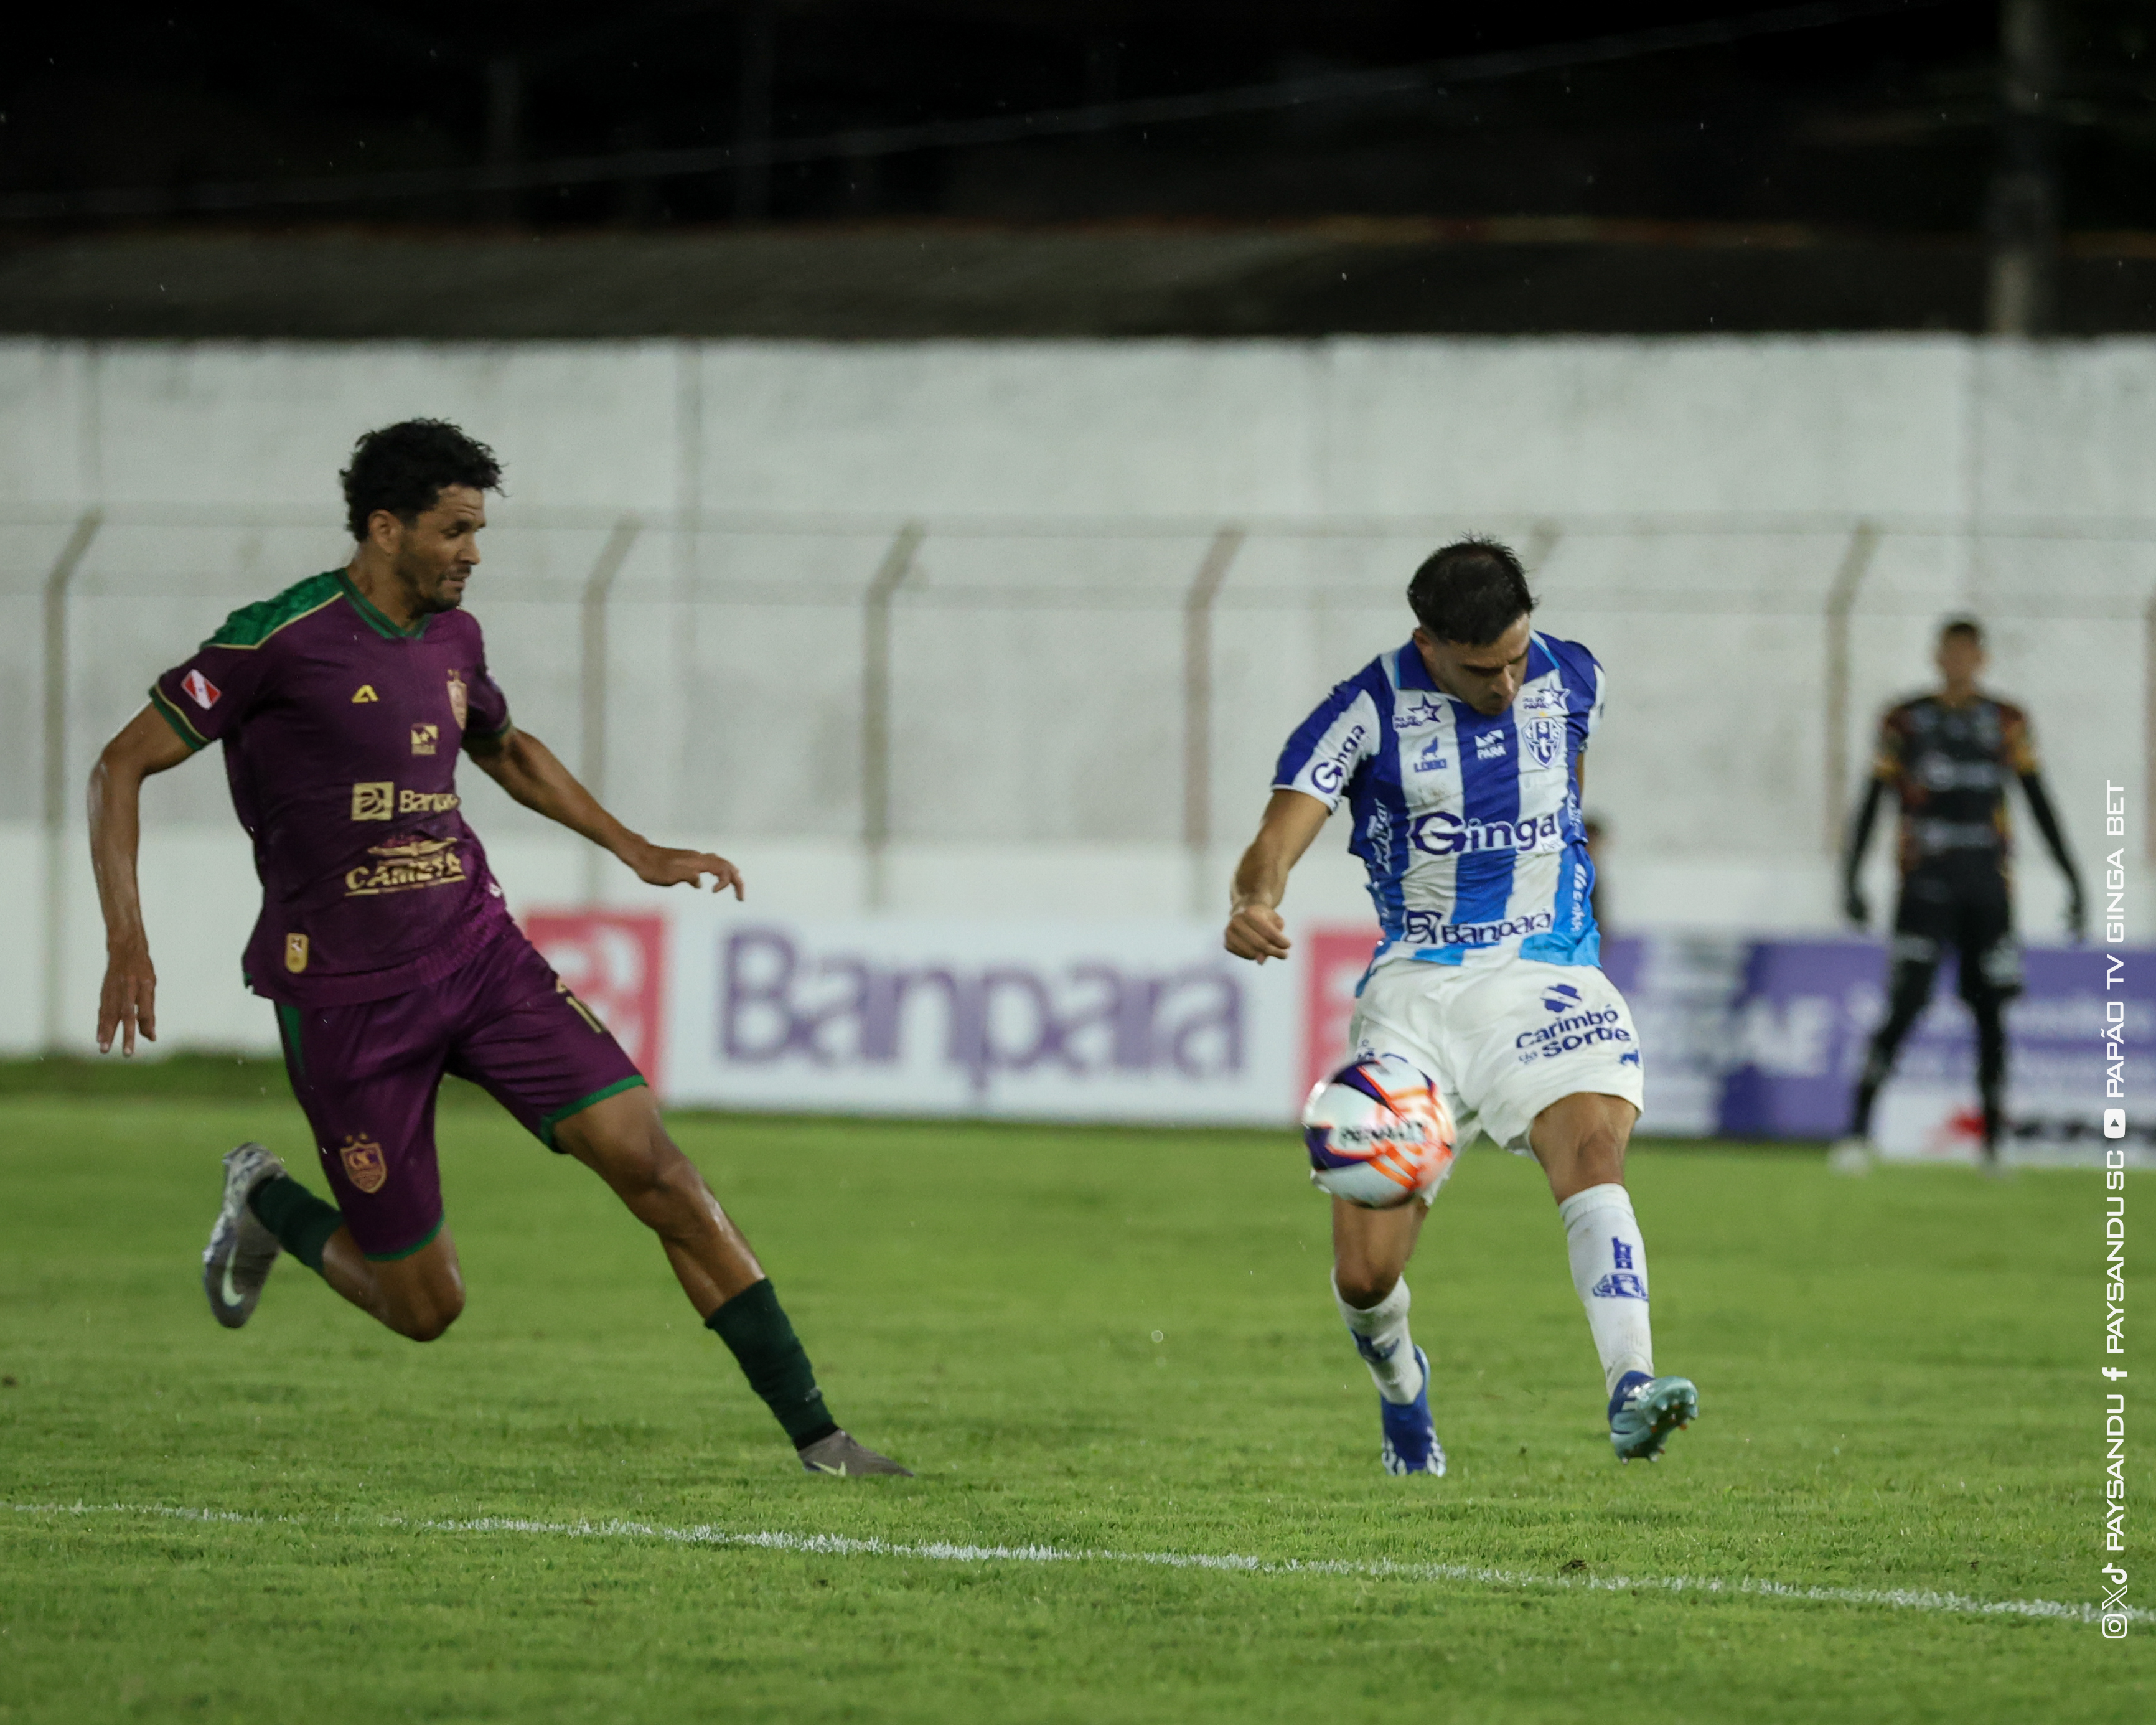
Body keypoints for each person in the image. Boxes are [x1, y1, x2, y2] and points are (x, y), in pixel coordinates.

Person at [88, 418, 907, 1477]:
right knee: (424, 1307)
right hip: (347, 1000)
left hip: (480, 960)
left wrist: (635, 848)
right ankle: (266, 1201)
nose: (474, 552)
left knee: (659, 1172)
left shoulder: (454, 640)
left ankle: (821, 1437)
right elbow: (119, 767)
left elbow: (504, 747)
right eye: (455, 529)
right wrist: (127, 936)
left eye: (478, 530)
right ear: (385, 528)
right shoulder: (274, 639)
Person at [1222, 539, 1695, 1472]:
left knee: (1593, 1150)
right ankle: (1404, 1390)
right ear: (1428, 642)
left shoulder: (1575, 675)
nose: (1509, 684)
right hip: (1417, 1000)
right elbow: (1276, 835)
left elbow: (1563, 798)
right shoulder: (1361, 711)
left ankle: (1632, 1384)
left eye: (1518, 657)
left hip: (1548, 975)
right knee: (1367, 1274)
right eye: (1484, 669)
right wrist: (1253, 901)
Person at [1831, 616, 2084, 1174]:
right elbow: (1872, 800)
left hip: (1988, 888)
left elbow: (2039, 799)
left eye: (1968, 653)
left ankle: (1994, 1146)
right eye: (1950, 652)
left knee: (1992, 1012)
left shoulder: (2007, 722)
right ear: (1937, 656)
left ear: (1982, 659)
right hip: (1923, 887)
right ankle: (1855, 1134)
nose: (1959, 662)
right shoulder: (1905, 721)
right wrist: (1850, 876)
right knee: (1905, 1005)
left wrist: (2074, 877)